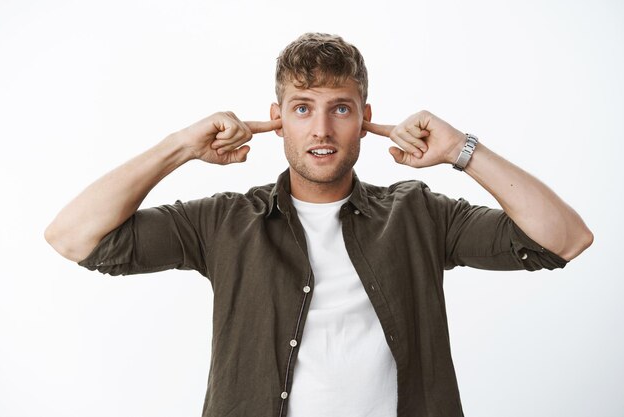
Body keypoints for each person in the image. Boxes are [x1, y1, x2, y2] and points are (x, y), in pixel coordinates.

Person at [45, 32, 593, 417]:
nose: (322, 129)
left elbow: (565, 239)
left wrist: (461, 151)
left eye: (341, 108)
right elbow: (73, 237)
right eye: (303, 108)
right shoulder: (225, 221)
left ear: (366, 118)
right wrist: (180, 147)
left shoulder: (419, 213)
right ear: (277, 118)